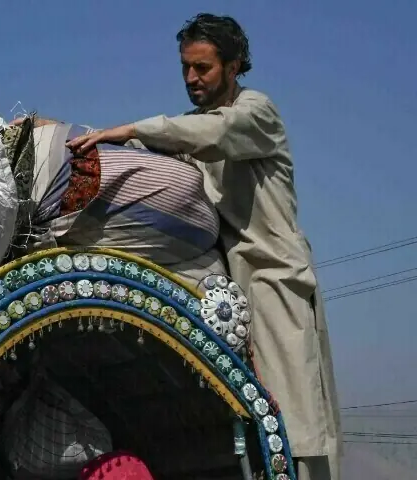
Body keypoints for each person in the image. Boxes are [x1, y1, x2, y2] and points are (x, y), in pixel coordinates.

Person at [63, 13, 342, 480]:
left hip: (274, 280)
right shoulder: (191, 126)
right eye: (186, 68)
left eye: (203, 68)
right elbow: (154, 162)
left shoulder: (256, 113)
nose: (192, 78)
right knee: (242, 420)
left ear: (233, 68)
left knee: (295, 424)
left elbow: (209, 135)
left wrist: (129, 129)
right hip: (223, 287)